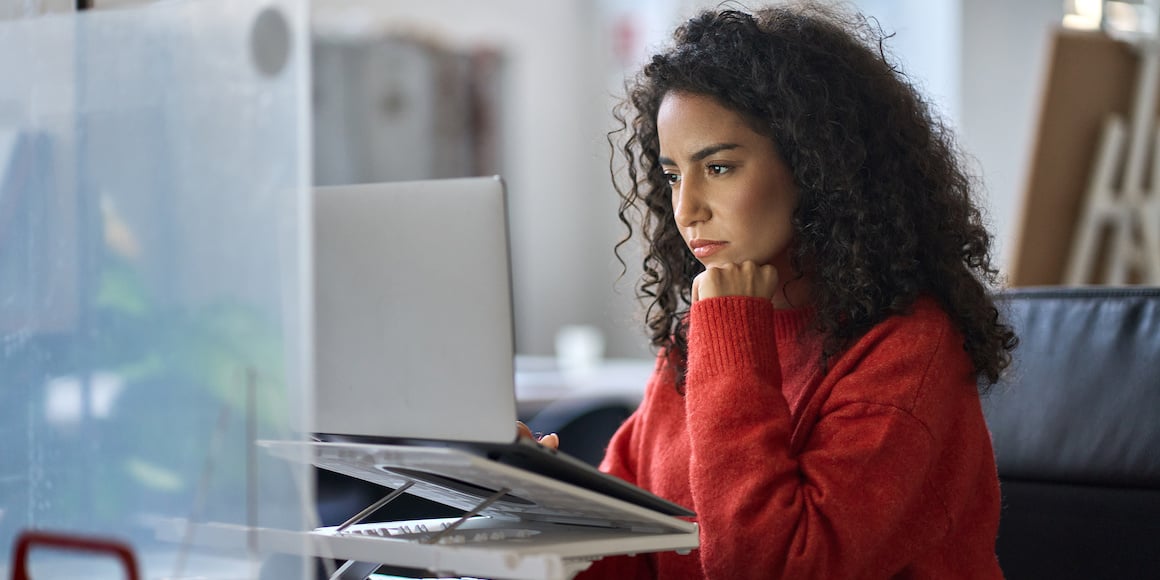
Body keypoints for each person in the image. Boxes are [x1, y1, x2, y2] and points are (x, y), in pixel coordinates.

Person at [559, 3, 1019, 578]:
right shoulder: (700, 337)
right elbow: (632, 553)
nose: (686, 209)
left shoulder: (910, 349)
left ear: (815, 166)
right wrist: (534, 508)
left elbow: (772, 567)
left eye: (720, 168)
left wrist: (731, 334)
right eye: (673, 175)